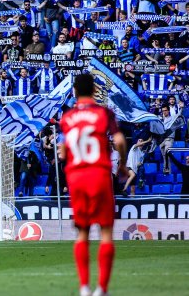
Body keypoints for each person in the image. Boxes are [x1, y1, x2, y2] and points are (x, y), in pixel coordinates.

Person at [60, 73, 127, 296]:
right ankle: (102, 289)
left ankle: (84, 288)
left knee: (82, 233)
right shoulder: (103, 113)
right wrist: (123, 166)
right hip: (99, 174)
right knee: (106, 232)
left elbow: (64, 151)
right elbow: (118, 141)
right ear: (94, 91)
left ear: (75, 92)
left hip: (77, 177)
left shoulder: (67, 117)